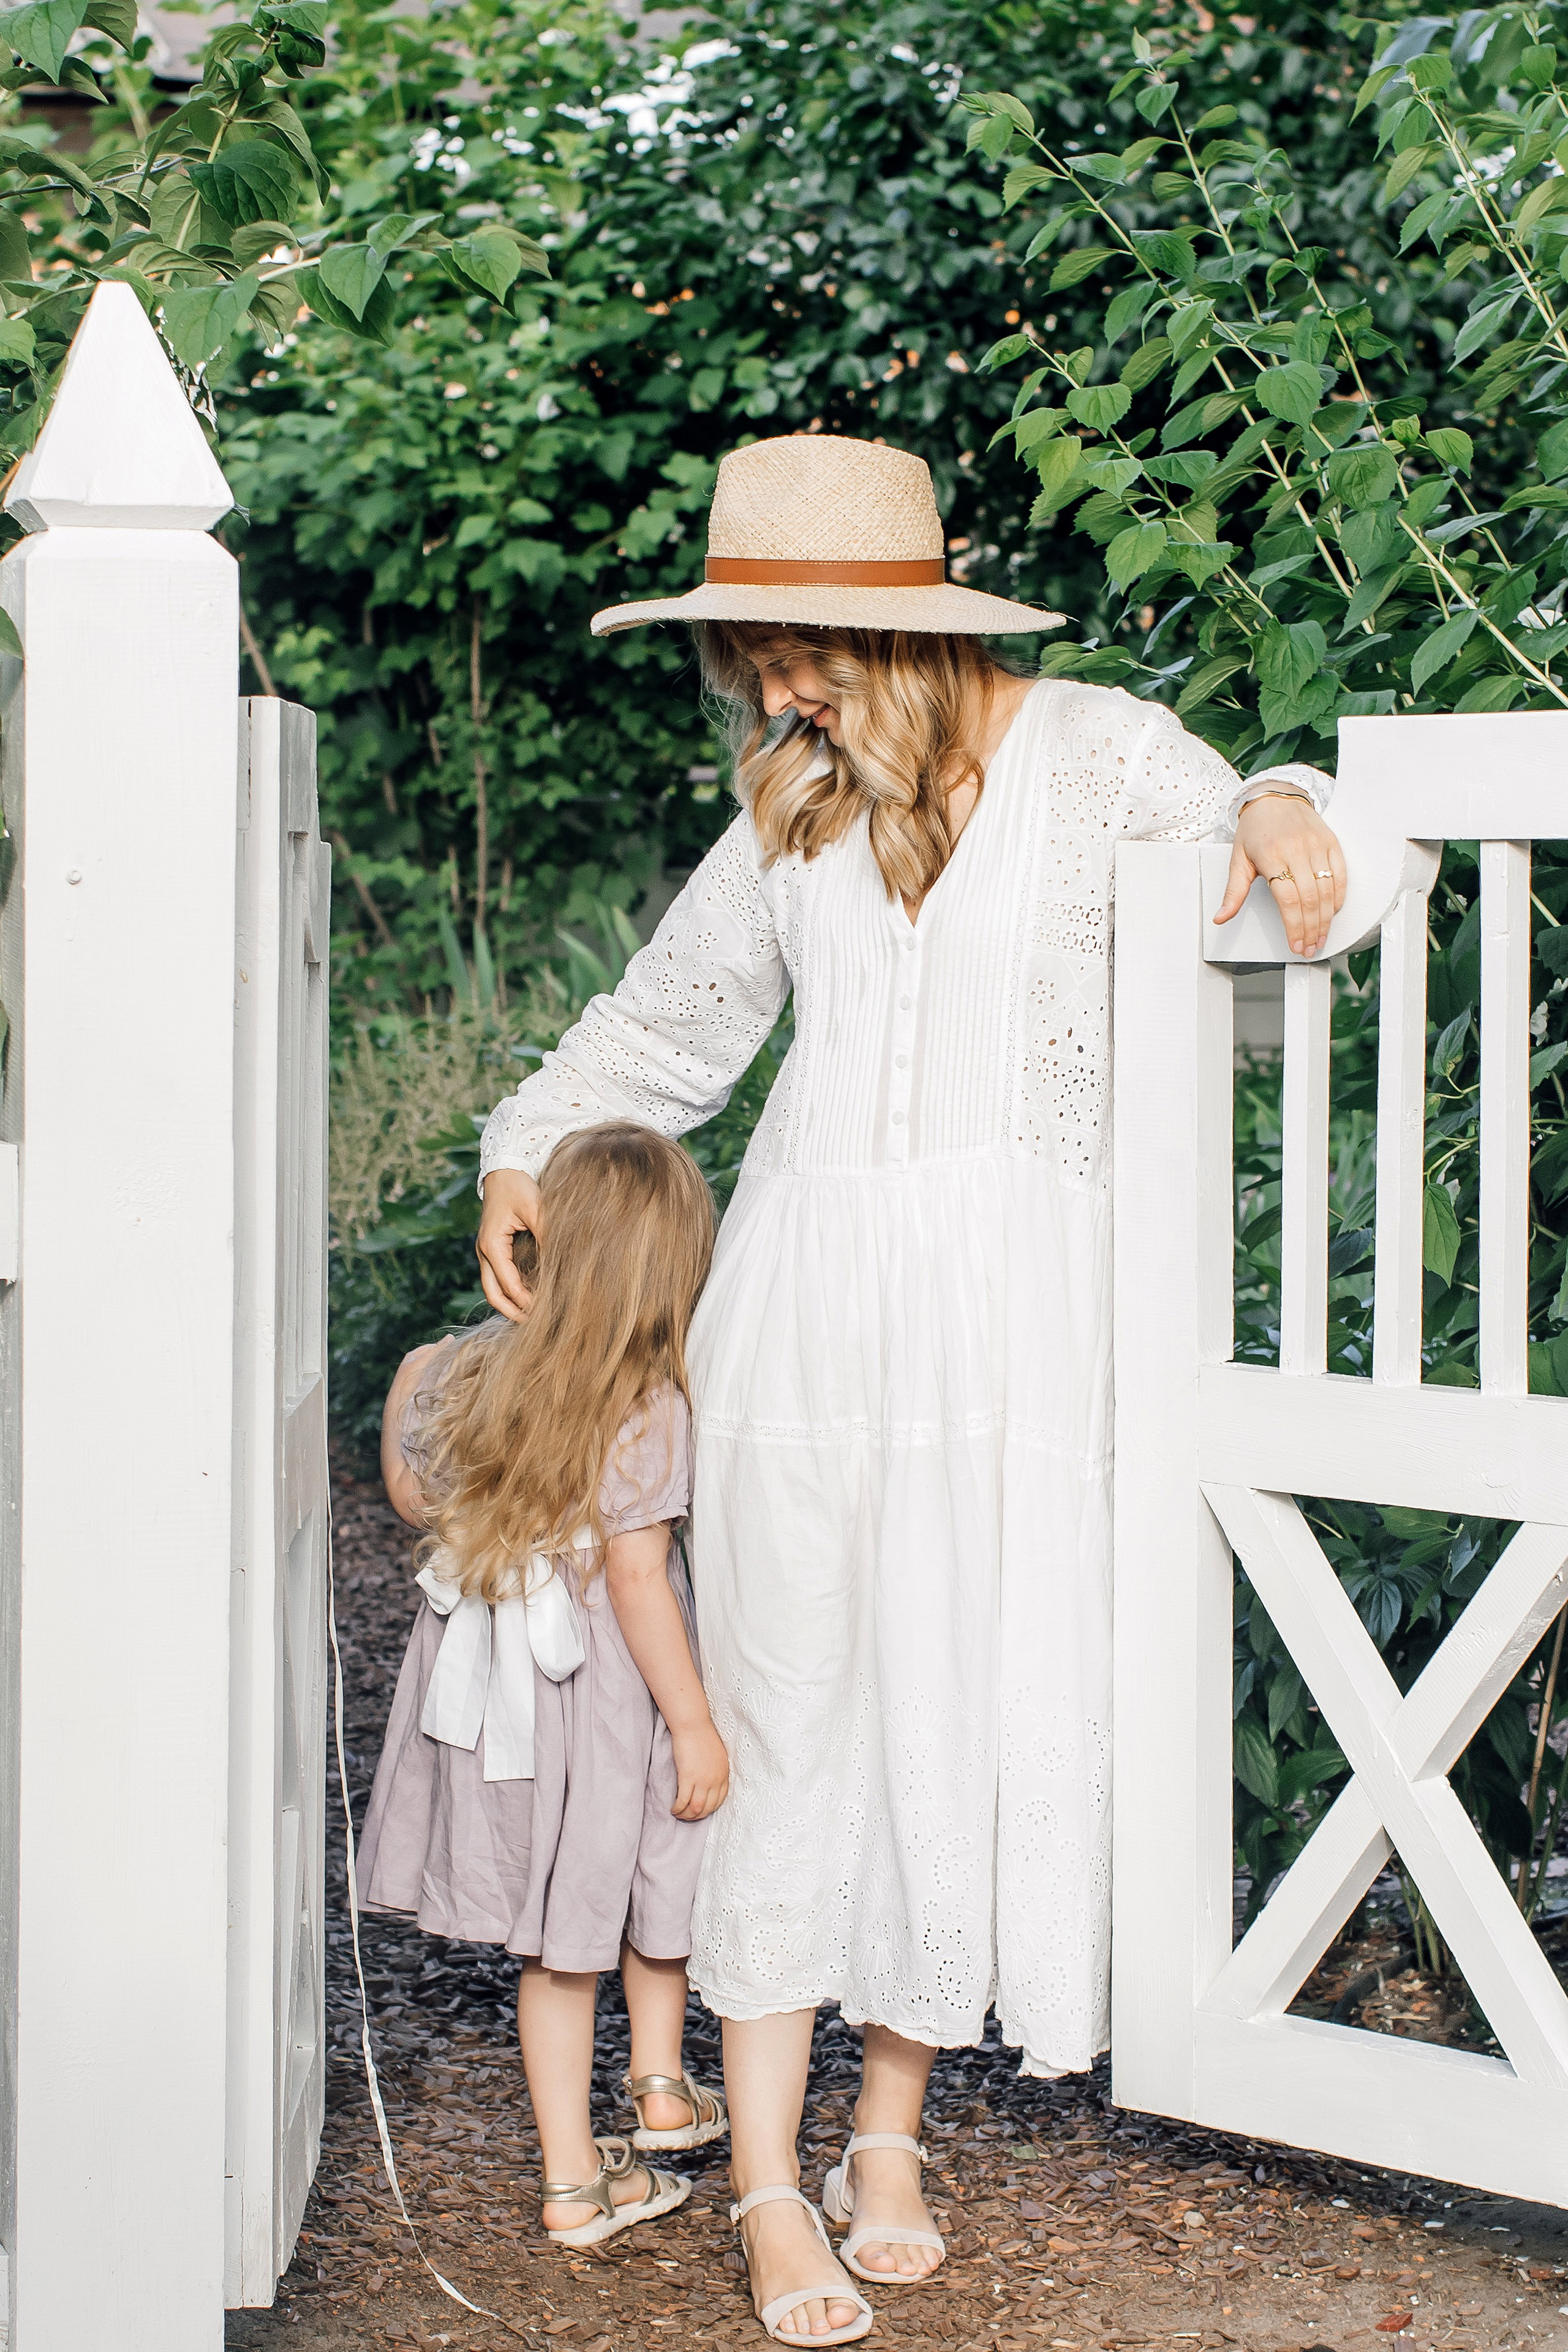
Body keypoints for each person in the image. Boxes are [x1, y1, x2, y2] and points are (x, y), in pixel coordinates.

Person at [472, 434, 1346, 2342]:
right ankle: (773, 2177)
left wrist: (1284, 796)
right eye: (754, 658)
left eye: (802, 651)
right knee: (784, 1715)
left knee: (954, 1705)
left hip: (1016, 1332)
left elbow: (1281, 864)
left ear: (911, 629)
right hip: (801, 1314)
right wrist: (528, 1138)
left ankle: (889, 2132)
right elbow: (670, 1023)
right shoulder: (792, 795)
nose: (777, 692)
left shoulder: (1104, 753)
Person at [357, 1122, 732, 2250]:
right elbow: (636, 1580)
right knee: (649, 1859)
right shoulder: (648, 1403)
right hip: (607, 1695)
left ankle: (607, 2145)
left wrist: (421, 1413)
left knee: (557, 1924)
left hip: (505, 1680)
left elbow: (414, 1503)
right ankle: (633, 2116)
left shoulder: (453, 1370)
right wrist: (695, 1719)